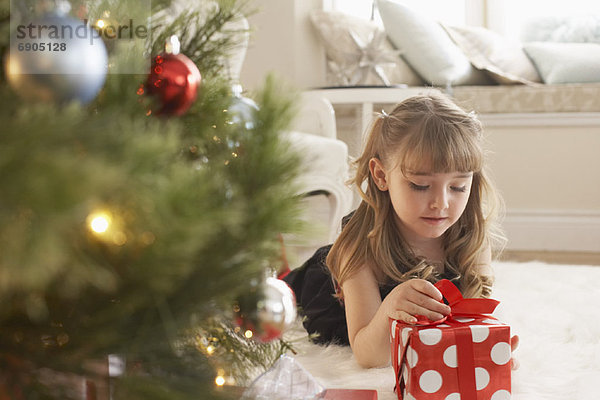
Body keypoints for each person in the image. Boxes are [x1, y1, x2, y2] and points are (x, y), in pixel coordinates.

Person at [284, 93, 519, 368]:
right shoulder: (357, 247)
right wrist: (390, 309)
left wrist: (488, 347)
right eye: (420, 185)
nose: (440, 203)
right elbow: (368, 355)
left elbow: (471, 319)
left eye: (457, 187)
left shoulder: (472, 238)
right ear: (381, 176)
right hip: (327, 293)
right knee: (264, 296)